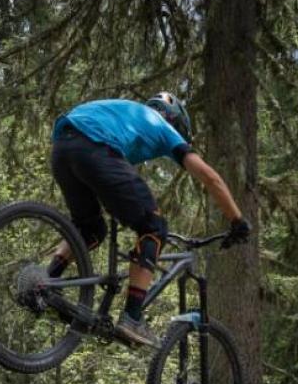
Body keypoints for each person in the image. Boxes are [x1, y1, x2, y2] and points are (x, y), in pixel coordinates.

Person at [46, 92, 251, 348]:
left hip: (62, 148)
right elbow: (211, 178)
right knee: (153, 227)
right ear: (173, 119)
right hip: (95, 147)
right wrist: (237, 220)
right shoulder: (163, 127)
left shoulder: (127, 117)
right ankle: (132, 317)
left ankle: (45, 282)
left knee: (91, 229)